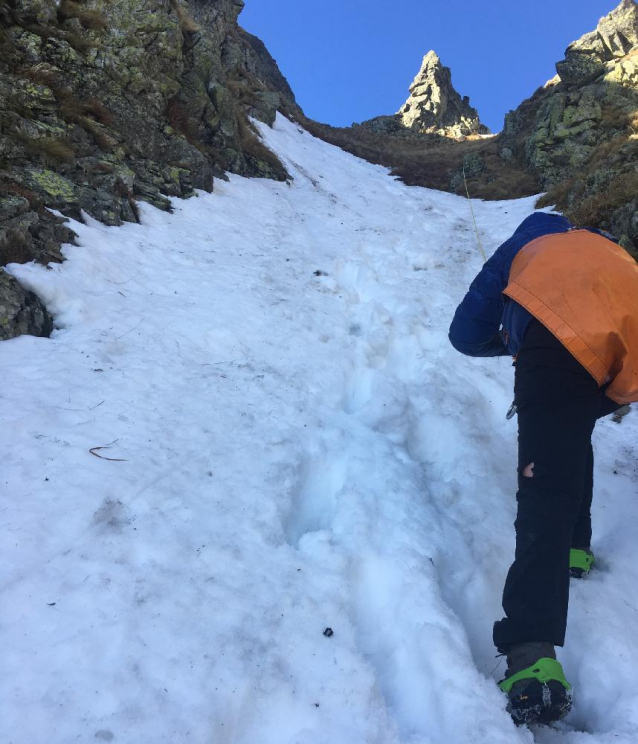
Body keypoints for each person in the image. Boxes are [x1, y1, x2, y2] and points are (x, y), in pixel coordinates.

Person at [448, 212, 638, 725]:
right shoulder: (608, 247)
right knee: (570, 428)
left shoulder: (529, 238)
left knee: (544, 485)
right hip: (629, 337)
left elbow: (465, 333)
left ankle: (531, 655)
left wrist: (517, 344)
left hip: (555, 332)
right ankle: (576, 545)